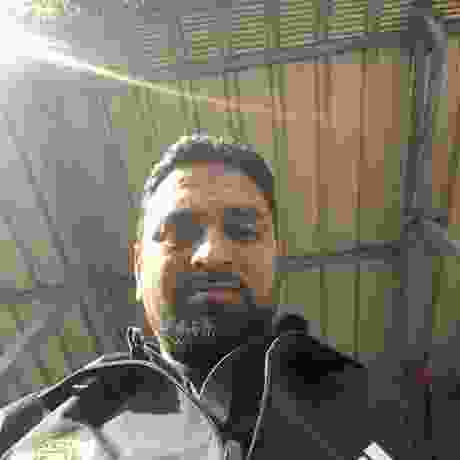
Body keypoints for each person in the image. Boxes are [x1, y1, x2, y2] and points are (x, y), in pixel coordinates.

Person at [0, 132, 405, 460]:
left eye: (243, 231)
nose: (211, 254)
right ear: (138, 267)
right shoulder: (29, 430)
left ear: (276, 257)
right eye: (179, 232)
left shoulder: (375, 406)